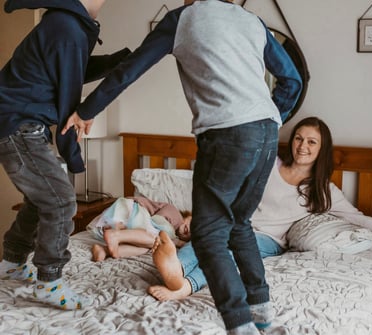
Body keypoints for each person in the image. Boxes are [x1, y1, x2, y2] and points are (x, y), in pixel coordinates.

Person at [61, 0, 302, 333]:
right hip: (266, 133)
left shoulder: (182, 19)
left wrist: (86, 111)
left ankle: (240, 325)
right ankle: (262, 314)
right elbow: (292, 80)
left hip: (227, 135)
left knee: (208, 235)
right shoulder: (251, 20)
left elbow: (127, 71)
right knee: (240, 224)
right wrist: (272, 119)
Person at [146, 116, 372, 303]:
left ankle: (185, 285)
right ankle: (176, 266)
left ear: (321, 148)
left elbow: (358, 218)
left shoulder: (322, 190)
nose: (302, 146)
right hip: (236, 224)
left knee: (231, 253)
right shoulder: (268, 165)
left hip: (267, 239)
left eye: (311, 141)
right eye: (298, 138)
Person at [0, 0, 130, 310]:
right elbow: (69, 94)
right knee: (61, 201)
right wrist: (74, 146)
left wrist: (121, 60)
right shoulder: (68, 27)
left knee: (42, 197)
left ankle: (13, 261)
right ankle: (49, 281)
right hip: (18, 124)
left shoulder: (70, 25)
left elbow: (72, 69)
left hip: (21, 123)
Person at [89, 196, 191, 263]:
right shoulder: (176, 215)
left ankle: (103, 250)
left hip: (118, 227)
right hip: (127, 212)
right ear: (190, 216)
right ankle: (115, 235)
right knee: (157, 239)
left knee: (149, 247)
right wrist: (176, 242)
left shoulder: (174, 232)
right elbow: (156, 222)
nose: (190, 230)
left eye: (193, 234)